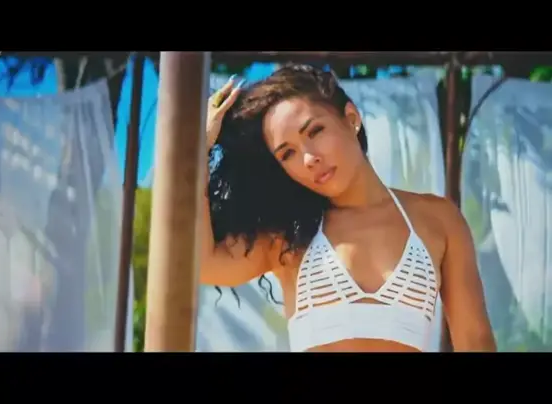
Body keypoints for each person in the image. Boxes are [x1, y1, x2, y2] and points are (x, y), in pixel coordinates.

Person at [200, 64, 496, 352]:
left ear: (351, 118)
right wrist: (199, 149)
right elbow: (202, 264)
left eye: (315, 131)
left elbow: (475, 340)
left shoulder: (438, 220)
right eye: (288, 153)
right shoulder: (289, 238)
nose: (309, 159)